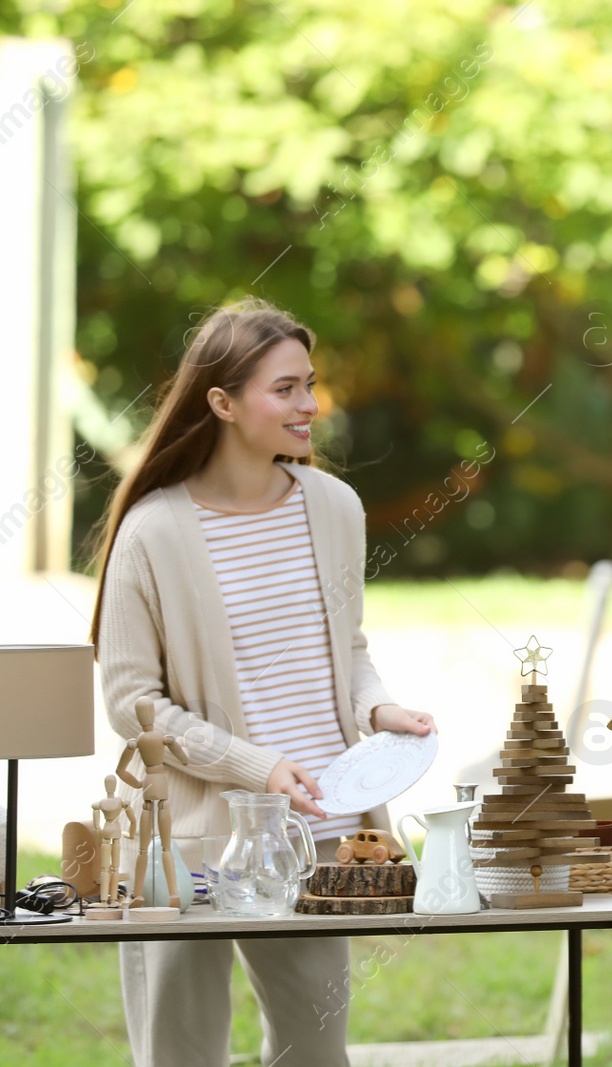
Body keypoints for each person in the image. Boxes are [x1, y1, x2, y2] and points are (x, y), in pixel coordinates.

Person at [89, 298, 436, 1067]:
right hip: (190, 846)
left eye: (310, 384)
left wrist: (377, 706)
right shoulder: (153, 531)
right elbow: (131, 702)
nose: (310, 405)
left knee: (315, 1051)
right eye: (285, 389)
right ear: (221, 402)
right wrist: (257, 767)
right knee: (181, 1054)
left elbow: (347, 648)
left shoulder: (335, 507)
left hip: (317, 831)